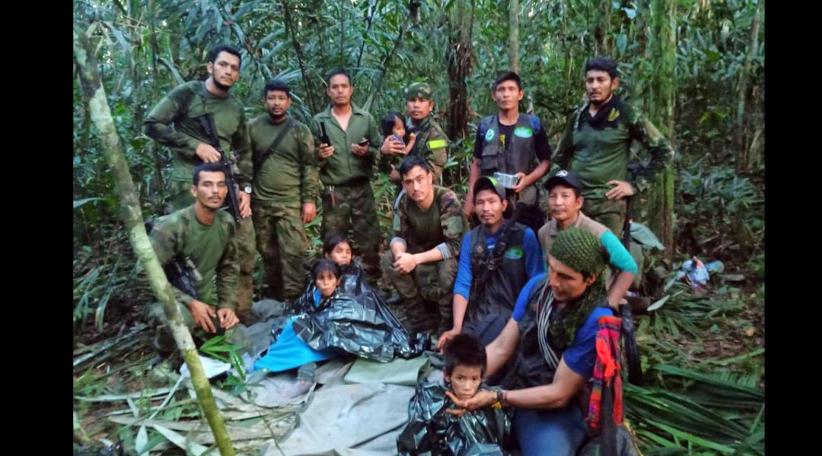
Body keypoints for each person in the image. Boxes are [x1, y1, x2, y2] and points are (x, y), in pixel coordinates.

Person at [447, 228, 616, 455]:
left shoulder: (594, 320)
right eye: (552, 269)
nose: (553, 282)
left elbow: (560, 393)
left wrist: (496, 397)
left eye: (565, 276)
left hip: (554, 405)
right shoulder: (538, 286)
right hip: (519, 381)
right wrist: (465, 381)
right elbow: (502, 347)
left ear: (590, 279)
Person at [143, 44, 257, 323]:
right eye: (223, 65)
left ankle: (235, 313)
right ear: (210, 66)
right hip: (188, 185)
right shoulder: (188, 94)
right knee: (188, 251)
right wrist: (194, 146)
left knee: (242, 247)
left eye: (234, 68)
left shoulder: (235, 108)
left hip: (227, 185)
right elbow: (152, 124)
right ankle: (188, 314)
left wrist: (246, 190)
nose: (228, 71)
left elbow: (244, 151)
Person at [553, 57, 674, 235]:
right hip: (576, 204)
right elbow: (560, 158)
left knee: (606, 257)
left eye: (601, 80)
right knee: (572, 256)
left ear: (614, 83)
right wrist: (557, 193)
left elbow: (664, 152)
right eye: (590, 80)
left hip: (609, 205)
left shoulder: (627, 114)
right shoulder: (578, 117)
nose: (594, 86)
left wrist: (635, 185)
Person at [439, 176, 544, 350]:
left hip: (514, 317)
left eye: (492, 201)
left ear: (503, 205)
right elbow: (463, 283)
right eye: (480, 202)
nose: (486, 208)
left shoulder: (524, 236)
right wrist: (457, 327)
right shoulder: (470, 239)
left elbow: (537, 281)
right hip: (480, 317)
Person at [147, 163, 241, 349]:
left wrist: (227, 305)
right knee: (179, 321)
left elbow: (229, 267)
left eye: (220, 185)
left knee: (239, 344)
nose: (215, 191)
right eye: (207, 184)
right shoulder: (171, 228)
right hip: (168, 300)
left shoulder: (226, 222)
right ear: (194, 190)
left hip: (204, 299)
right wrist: (190, 303)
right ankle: (166, 357)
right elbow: (145, 277)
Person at [248, 79, 319, 302]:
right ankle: (276, 299)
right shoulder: (252, 128)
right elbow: (243, 163)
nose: (276, 103)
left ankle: (295, 300)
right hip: (260, 203)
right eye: (272, 98)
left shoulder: (300, 130)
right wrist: (245, 193)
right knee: (269, 254)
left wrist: (309, 200)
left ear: (289, 102)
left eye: (281, 98)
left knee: (293, 254)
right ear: (264, 101)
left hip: (290, 202)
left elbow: (309, 166)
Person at [311, 69, 384, 283]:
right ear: (328, 91)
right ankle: (333, 281)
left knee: (369, 236)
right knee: (333, 236)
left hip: (362, 187)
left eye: (344, 86)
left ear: (351, 89)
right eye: (335, 87)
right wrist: (320, 155)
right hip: (334, 189)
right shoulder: (319, 121)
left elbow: (380, 151)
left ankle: (371, 283)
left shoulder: (365, 119)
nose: (340, 91)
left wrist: (367, 152)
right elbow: (310, 158)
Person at [381, 155, 466, 334]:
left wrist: (415, 259)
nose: (415, 187)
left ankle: (446, 319)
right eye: (409, 182)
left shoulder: (446, 199)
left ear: (429, 177)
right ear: (404, 184)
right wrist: (400, 256)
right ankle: (418, 316)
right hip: (419, 252)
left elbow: (455, 245)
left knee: (448, 268)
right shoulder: (404, 201)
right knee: (389, 259)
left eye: (420, 179)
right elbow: (397, 236)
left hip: (446, 255)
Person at [464, 72, 551, 232]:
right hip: (491, 202)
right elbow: (477, 163)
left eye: (511, 89)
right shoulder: (485, 127)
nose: (506, 94)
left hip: (524, 201)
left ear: (520, 94)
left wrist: (527, 179)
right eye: (501, 90)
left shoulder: (533, 124)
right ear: (494, 95)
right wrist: (471, 197)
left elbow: (546, 162)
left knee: (524, 245)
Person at [396, 334, 511, 455]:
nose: (467, 387)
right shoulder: (435, 404)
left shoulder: (488, 400)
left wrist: (492, 402)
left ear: (482, 378)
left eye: (474, 379)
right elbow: (414, 442)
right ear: (447, 375)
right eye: (460, 378)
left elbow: (500, 409)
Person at [538, 170, 637, 307]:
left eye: (565, 196)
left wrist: (610, 302)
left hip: (592, 302)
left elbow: (629, 267)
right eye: (553, 196)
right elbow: (547, 271)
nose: (558, 202)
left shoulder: (598, 233)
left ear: (578, 202)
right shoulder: (544, 232)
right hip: (560, 298)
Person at [380, 82, 449, 184]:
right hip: (403, 194)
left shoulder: (436, 136)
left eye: (422, 101)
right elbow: (382, 166)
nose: (416, 105)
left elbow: (433, 172)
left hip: (425, 194)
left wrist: (401, 176)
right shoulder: (399, 128)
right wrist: (383, 152)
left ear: (430, 106)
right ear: (406, 104)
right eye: (412, 100)